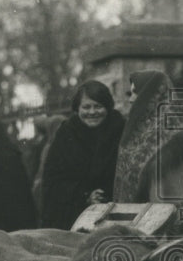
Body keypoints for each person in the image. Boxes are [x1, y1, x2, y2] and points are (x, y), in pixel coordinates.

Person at [40, 80, 125, 230]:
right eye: (86, 107)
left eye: (98, 106)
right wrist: (84, 195)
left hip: (116, 211)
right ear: (77, 108)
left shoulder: (120, 129)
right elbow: (53, 180)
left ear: (108, 107)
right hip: (74, 214)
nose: (92, 112)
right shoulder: (66, 134)